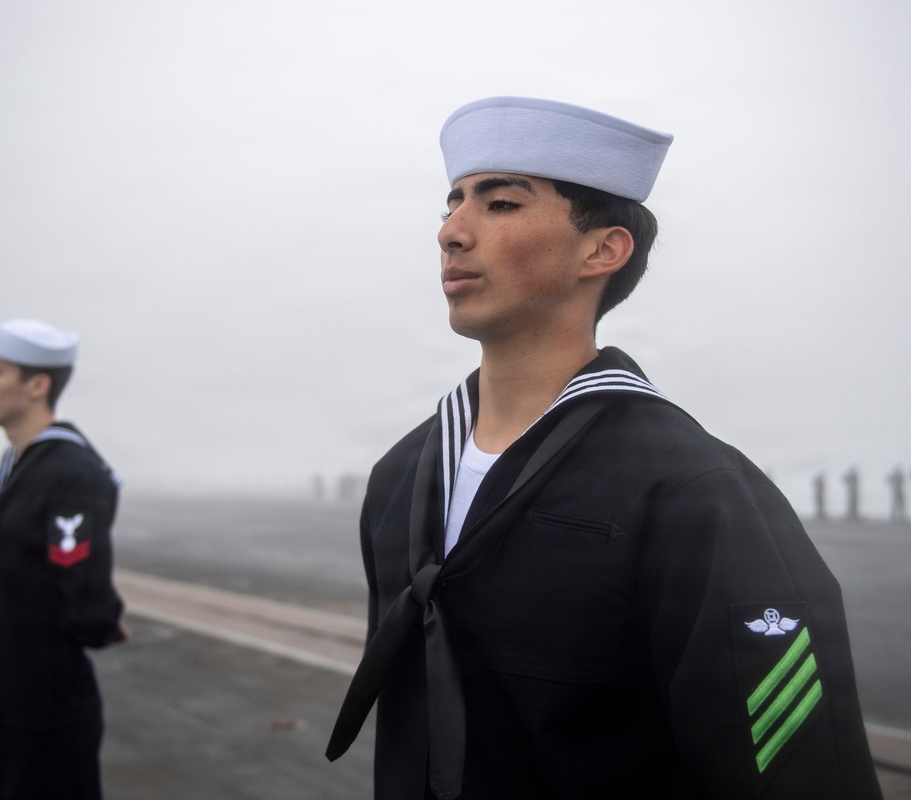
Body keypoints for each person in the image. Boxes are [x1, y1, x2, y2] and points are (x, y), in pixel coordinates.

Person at [326, 97, 881, 799]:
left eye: (499, 205)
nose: (453, 233)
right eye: (452, 204)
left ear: (603, 249)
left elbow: (799, 770)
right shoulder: (403, 477)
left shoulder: (693, 491)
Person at [0, 318, 128, 800]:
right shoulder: (20, 464)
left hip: (44, 711)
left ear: (37, 384)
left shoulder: (70, 472)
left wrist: (103, 622)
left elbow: (83, 590)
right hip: (2, 701)